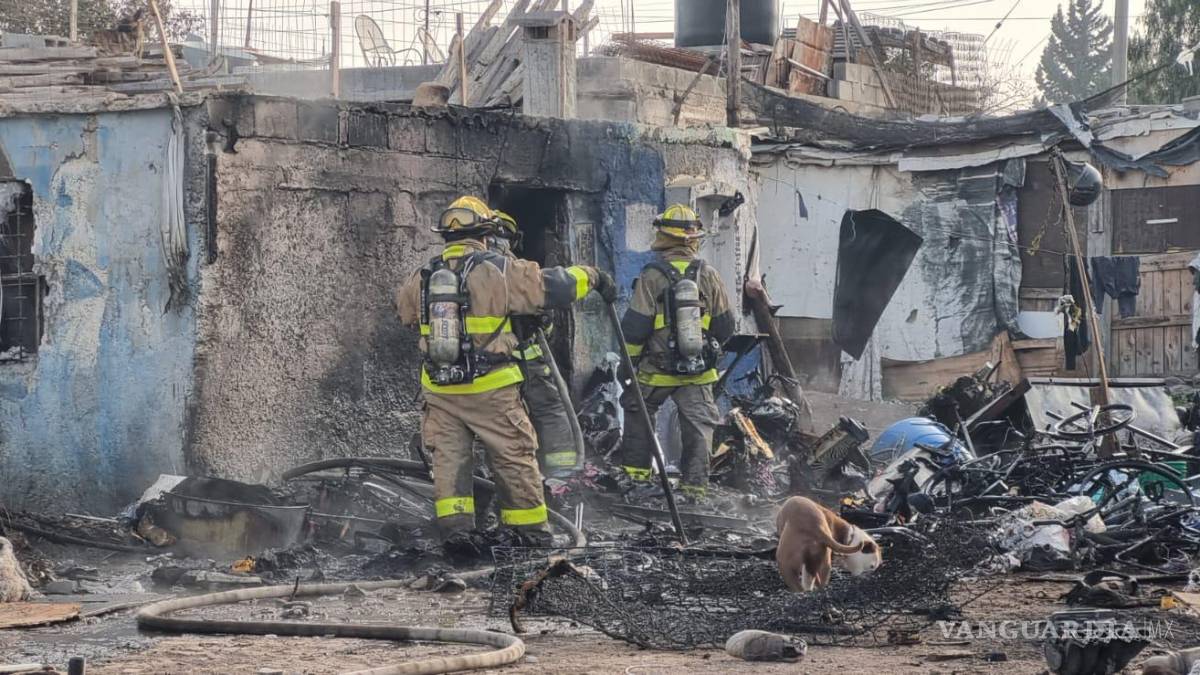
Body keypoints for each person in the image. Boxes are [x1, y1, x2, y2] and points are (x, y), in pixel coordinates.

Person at [396, 196, 616, 547]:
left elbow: (405, 315)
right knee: (513, 455)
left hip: (439, 390)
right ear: (485, 233)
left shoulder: (421, 275)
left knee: (450, 462)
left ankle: (457, 537)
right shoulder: (499, 268)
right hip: (491, 387)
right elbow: (554, 287)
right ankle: (530, 534)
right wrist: (592, 275)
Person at [616, 204, 735, 500]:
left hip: (655, 371)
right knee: (698, 426)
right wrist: (706, 351)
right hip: (697, 372)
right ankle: (694, 490)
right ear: (694, 238)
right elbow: (726, 325)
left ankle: (636, 479)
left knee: (638, 412)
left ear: (663, 236)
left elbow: (634, 328)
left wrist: (627, 366)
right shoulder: (709, 274)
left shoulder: (651, 276)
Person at [489, 210, 580, 478]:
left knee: (491, 420)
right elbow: (543, 319)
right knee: (551, 409)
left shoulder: (466, 270)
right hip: (525, 359)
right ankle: (562, 475)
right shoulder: (515, 268)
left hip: (485, 365)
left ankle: (491, 476)